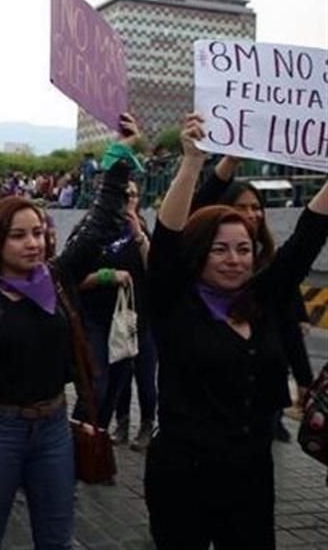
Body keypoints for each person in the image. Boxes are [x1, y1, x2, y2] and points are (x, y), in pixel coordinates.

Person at [0, 116, 138, 549]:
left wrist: (119, 157)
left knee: (57, 536)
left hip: (53, 429)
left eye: (39, 235)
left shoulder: (58, 280)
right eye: (19, 236)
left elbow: (100, 221)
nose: (34, 244)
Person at [143, 114, 328, 549]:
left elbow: (306, 237)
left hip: (250, 474)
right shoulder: (173, 303)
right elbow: (167, 240)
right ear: (197, 256)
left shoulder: (262, 298)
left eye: (244, 249)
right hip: (181, 476)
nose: (234, 259)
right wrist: (192, 163)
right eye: (220, 249)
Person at [191, 155, 314, 443]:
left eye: (256, 207)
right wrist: (225, 161)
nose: (251, 214)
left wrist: (303, 379)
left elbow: (286, 318)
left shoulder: (270, 262)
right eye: (220, 250)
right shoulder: (187, 280)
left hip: (261, 396)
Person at [76, 179, 152, 449]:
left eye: (132, 195)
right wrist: (106, 276)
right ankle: (80, 440)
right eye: (123, 195)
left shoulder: (139, 230)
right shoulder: (89, 230)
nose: (128, 200)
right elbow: (70, 278)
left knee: (118, 385)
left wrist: (139, 234)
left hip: (130, 321)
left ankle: (98, 442)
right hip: (96, 320)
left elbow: (155, 271)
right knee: (98, 385)